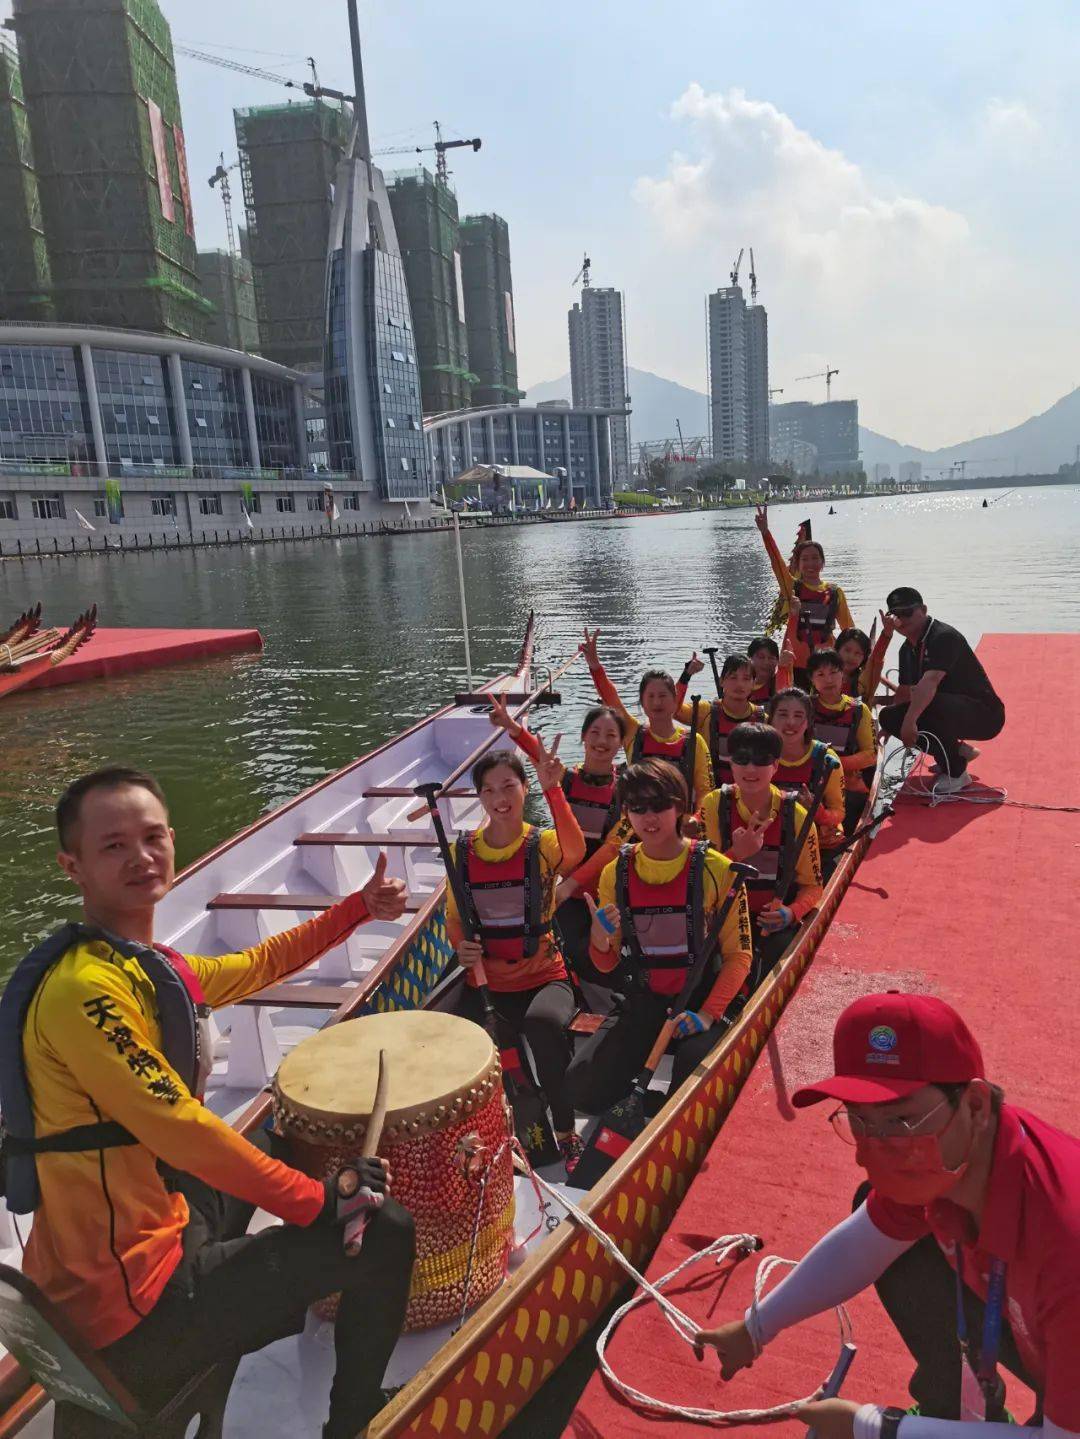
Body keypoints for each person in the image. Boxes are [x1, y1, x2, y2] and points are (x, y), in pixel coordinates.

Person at [0, 767, 415, 1439]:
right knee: (387, 1229)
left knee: (267, 1146)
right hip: (133, 1310)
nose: (140, 855)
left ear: (172, 839)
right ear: (70, 864)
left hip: (138, 1242)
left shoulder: (144, 966)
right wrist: (321, 1199)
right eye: (112, 845)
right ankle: (353, 1420)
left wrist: (359, 908)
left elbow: (259, 963)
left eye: (152, 835)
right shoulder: (86, 990)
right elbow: (181, 1126)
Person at [695, 992, 1080, 1439]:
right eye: (859, 1122)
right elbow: (868, 1239)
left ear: (974, 1105)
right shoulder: (948, 1161)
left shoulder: (1066, 1240)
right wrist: (755, 1328)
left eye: (900, 1122)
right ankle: (958, 1413)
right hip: (1040, 1330)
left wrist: (874, 1428)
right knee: (878, 1211)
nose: (871, 1151)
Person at [564, 760, 753, 1114]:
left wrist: (709, 1014)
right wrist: (600, 938)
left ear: (679, 806)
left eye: (659, 806)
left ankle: (670, 1114)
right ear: (626, 813)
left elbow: (739, 956)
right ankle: (645, 1110)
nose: (649, 818)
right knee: (581, 1087)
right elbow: (606, 963)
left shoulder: (719, 869)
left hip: (700, 1001)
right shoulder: (614, 873)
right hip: (646, 996)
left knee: (691, 1076)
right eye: (637, 808)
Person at [445, 741, 586, 1169]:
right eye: (489, 791)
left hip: (546, 975)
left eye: (509, 786)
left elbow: (575, 853)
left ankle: (565, 1127)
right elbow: (454, 917)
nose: (500, 799)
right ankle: (517, 1128)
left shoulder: (542, 844)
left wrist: (555, 790)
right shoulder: (462, 851)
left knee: (542, 1026)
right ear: (480, 799)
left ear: (525, 789)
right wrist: (461, 947)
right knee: (488, 1046)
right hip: (488, 983)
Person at [486, 694, 631, 994]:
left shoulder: (627, 795)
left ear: (621, 744)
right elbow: (540, 758)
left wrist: (569, 885)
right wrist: (511, 726)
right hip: (561, 886)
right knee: (560, 950)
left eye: (611, 736)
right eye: (595, 733)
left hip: (602, 890)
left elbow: (611, 849)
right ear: (583, 738)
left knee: (600, 956)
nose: (601, 741)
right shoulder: (566, 778)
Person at [699, 722, 823, 978]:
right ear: (731, 764)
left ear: (776, 766)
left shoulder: (797, 816)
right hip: (722, 920)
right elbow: (700, 879)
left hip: (771, 923)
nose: (751, 769)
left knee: (780, 947)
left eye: (761, 760)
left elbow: (813, 886)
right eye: (742, 760)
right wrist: (735, 855)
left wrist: (791, 913)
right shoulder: (713, 805)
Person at [878, 588, 1005, 793]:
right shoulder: (906, 649)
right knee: (889, 715)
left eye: (908, 612)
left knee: (927, 703)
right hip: (949, 708)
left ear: (923, 610)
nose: (902, 619)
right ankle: (957, 752)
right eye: (896, 614)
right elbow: (903, 692)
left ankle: (956, 772)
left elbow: (930, 682)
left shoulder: (943, 637)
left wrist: (909, 722)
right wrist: (889, 728)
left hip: (985, 714)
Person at [580, 628, 714, 806]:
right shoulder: (633, 733)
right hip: (637, 825)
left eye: (663, 696)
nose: (657, 702)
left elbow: (706, 793)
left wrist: (695, 823)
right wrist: (595, 666)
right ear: (642, 703)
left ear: (675, 702)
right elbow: (610, 698)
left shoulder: (694, 742)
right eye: (650, 696)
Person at [755, 504, 854, 673]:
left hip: (826, 665)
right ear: (798, 565)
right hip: (795, 662)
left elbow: (849, 631)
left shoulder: (835, 592)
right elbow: (776, 561)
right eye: (805, 559)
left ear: (822, 563)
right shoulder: (791, 587)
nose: (810, 564)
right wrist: (765, 532)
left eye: (815, 558)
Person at [768, 686, 846, 870]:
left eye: (798, 716)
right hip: (770, 843)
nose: (790, 723)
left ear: (809, 722)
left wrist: (816, 811)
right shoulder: (757, 755)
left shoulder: (828, 759)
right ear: (770, 719)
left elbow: (839, 813)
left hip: (820, 846)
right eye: (782, 714)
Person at [806, 648, 879, 832]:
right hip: (810, 783)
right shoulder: (804, 707)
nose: (828, 680)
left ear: (843, 677)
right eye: (820, 674)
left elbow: (871, 755)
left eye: (833, 673)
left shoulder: (859, 710)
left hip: (848, 785)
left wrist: (833, 764)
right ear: (812, 681)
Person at [675, 652, 766, 788]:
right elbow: (674, 710)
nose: (739, 684)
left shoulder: (762, 719)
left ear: (754, 683)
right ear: (721, 681)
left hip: (749, 791)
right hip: (709, 792)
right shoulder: (706, 711)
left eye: (746, 679)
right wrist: (686, 675)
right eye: (733, 677)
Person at [837, 619, 893, 703]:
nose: (851, 656)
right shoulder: (824, 675)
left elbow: (876, 658)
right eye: (847, 650)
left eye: (858, 653)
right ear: (837, 650)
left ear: (864, 658)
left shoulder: (865, 680)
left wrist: (886, 634)